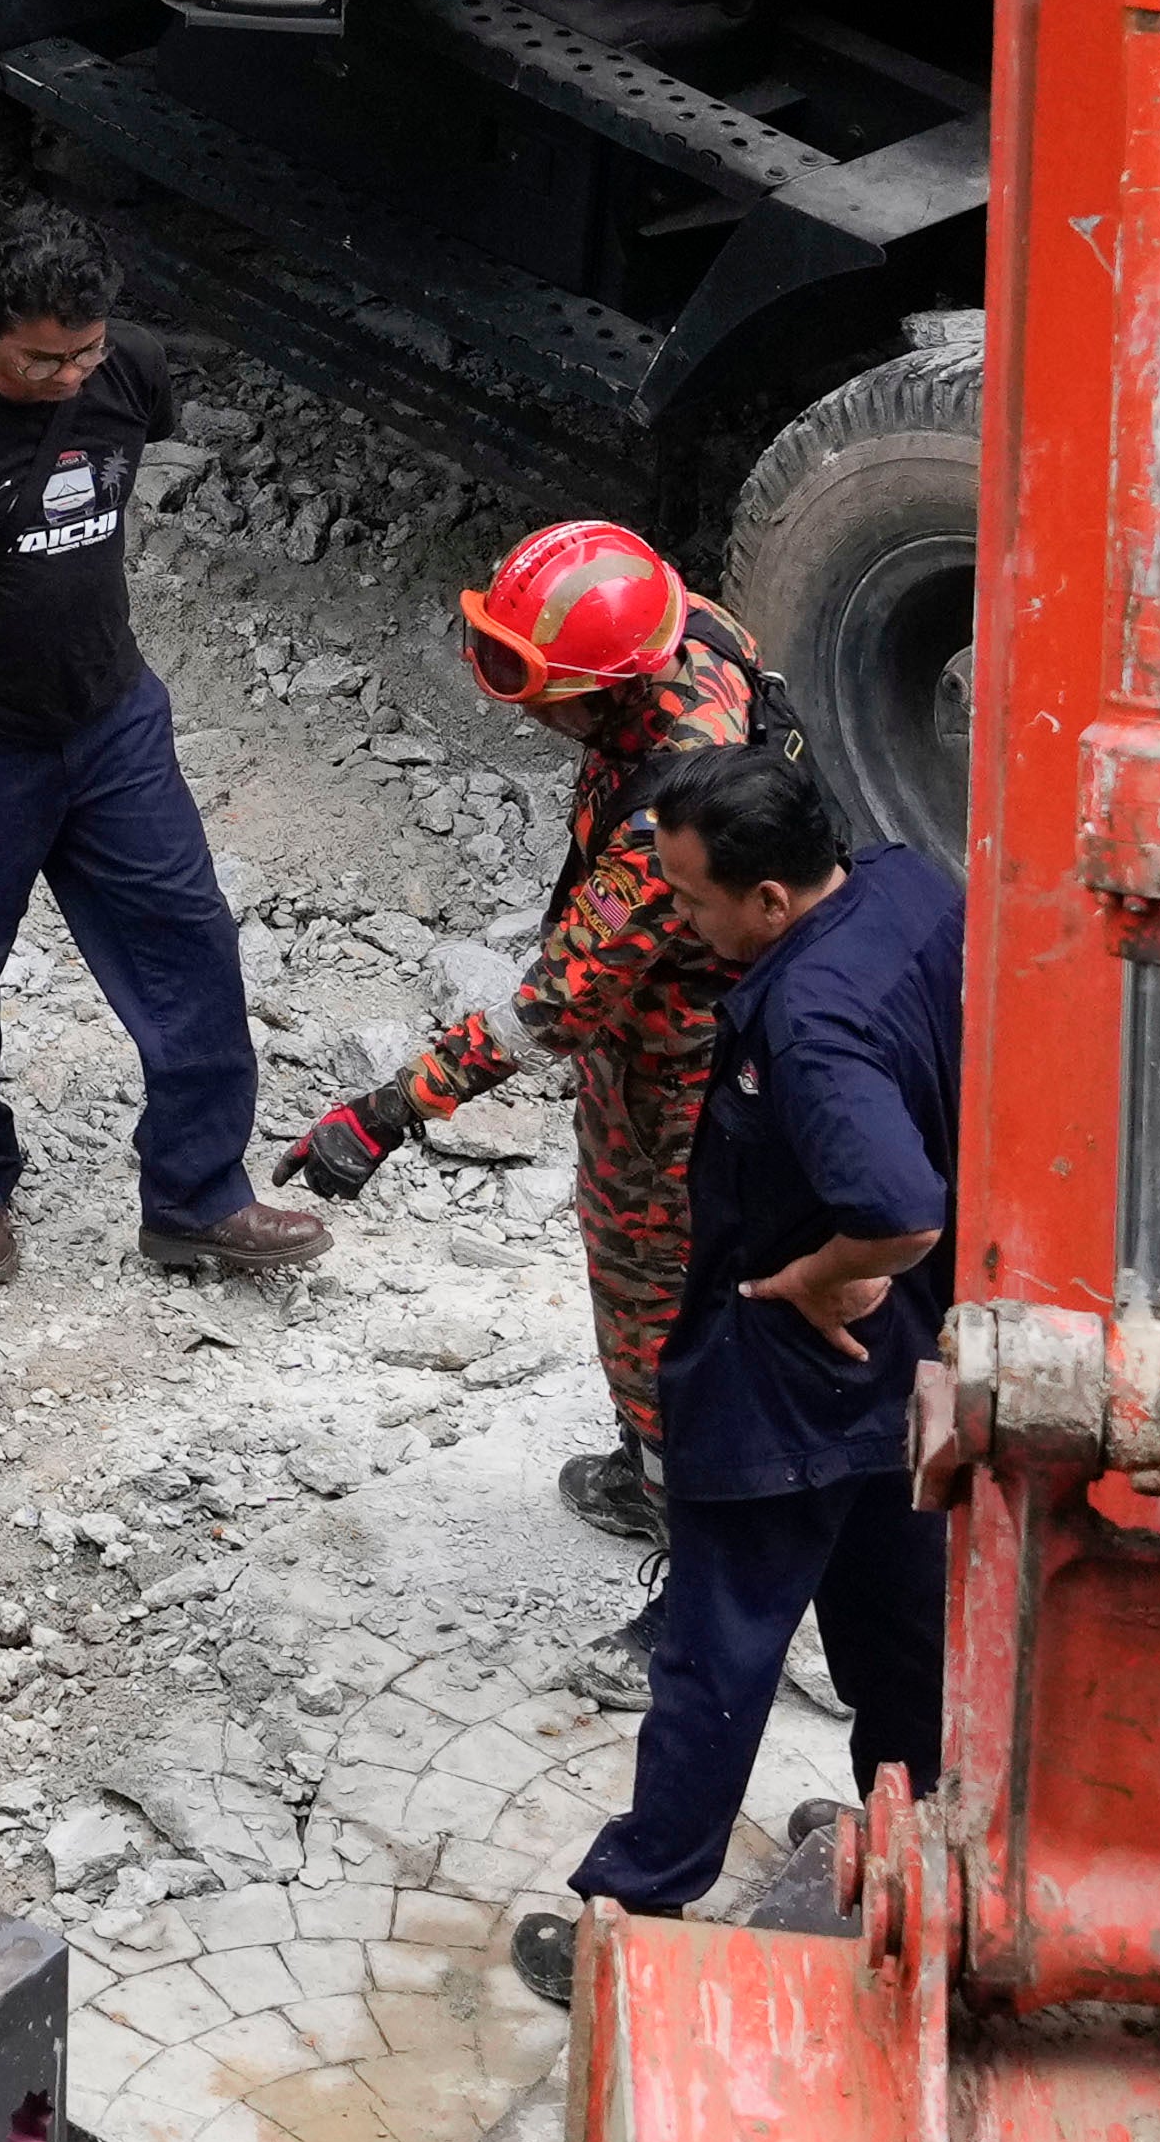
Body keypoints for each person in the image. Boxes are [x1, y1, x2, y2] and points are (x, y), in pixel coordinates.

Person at [0, 203, 323, 1291]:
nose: (67, 377)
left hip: (108, 722)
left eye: (82, 353)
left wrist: (94, 369)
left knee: (189, 940)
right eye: (40, 358)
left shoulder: (124, 368)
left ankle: (197, 1195)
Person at [516, 746, 959, 1994]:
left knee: (716, 1645)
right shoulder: (909, 889)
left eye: (695, 900)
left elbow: (896, 1201)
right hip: (909, 1351)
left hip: (790, 1361)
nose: (681, 919)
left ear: (768, 900)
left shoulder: (807, 1017)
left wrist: (822, 1275)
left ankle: (634, 1902)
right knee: (898, 1612)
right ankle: (913, 1833)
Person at [281, 520, 786, 1543]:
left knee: (647, 1281)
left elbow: (549, 1008)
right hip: (714, 1019)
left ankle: (673, 1505)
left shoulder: (666, 824)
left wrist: (382, 1116)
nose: (513, 694)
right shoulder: (692, 634)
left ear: (604, 686)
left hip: (673, 1062)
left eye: (528, 677)